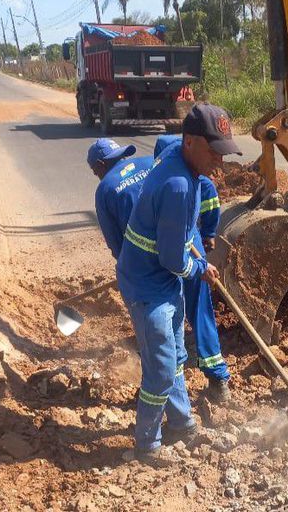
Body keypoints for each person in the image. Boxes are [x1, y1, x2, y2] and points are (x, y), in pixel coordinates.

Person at [117, 104, 241, 466]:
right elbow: (173, 260)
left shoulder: (176, 154)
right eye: (214, 152)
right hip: (147, 286)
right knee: (159, 369)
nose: (219, 162)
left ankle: (182, 423)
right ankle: (147, 445)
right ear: (190, 142)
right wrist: (199, 268)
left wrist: (194, 250)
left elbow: (178, 238)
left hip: (160, 277)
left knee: (175, 356)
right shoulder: (178, 186)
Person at [153, 135, 231, 402]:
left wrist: (207, 234)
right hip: (188, 246)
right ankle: (216, 379)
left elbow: (210, 208)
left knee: (166, 304)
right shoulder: (191, 179)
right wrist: (206, 235)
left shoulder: (165, 179)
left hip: (178, 248)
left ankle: (172, 371)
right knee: (199, 310)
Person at [88, 138, 153, 260]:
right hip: (182, 244)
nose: (96, 175)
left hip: (147, 260)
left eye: (95, 171)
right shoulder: (151, 161)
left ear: (100, 164)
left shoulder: (105, 189)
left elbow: (115, 241)